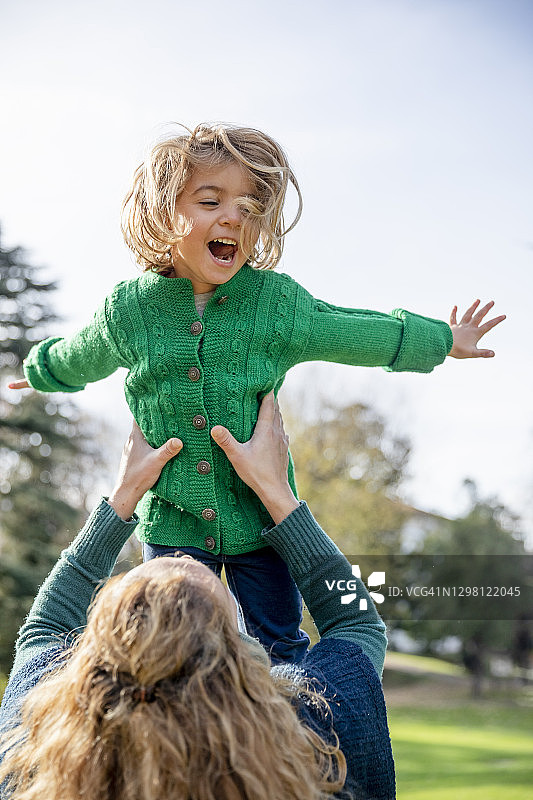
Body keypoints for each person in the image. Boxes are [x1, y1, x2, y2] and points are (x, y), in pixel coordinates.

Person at [8, 123, 505, 662]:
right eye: (210, 200)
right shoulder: (130, 310)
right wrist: (40, 372)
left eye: (249, 208)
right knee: (170, 654)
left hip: (263, 523)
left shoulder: (275, 304)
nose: (233, 217)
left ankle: (289, 736)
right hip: (173, 521)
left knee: (281, 647)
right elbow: (82, 352)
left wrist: (443, 340)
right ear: (162, 212)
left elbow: (357, 330)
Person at [0, 393, 396, 800]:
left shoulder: (36, 745)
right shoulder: (309, 739)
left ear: (94, 656)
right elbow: (357, 621)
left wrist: (123, 495)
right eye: (204, 589)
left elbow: (46, 626)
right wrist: (277, 493)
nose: (185, 555)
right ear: (243, 656)